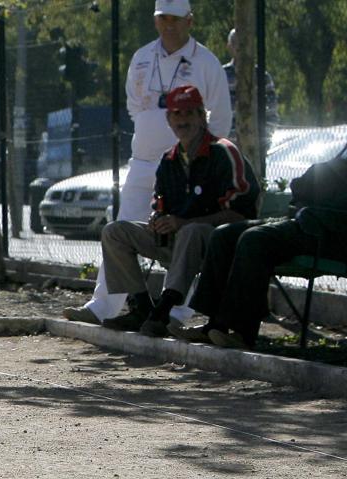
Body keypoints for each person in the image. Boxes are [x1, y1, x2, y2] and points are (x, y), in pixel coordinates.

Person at [175, 64, 347, 350]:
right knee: (225, 234)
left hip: (343, 231)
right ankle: (215, 324)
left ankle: (242, 331)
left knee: (254, 240)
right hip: (315, 220)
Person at [63, 0, 231, 326]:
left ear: (190, 21)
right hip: (142, 162)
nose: (169, 25)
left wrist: (198, 158)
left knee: (184, 239)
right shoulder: (141, 57)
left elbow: (220, 119)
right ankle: (104, 307)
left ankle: (177, 314)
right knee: (121, 229)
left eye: (175, 19)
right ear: (155, 21)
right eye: (162, 18)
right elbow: (134, 107)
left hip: (187, 168)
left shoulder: (207, 63)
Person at [93, 86, 258, 337]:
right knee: (115, 231)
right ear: (169, 120)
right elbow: (160, 205)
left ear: (203, 117)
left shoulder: (224, 152)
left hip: (216, 246)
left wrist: (182, 222)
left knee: (192, 230)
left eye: (190, 113)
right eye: (177, 114)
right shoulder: (168, 161)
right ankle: (141, 308)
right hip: (176, 242)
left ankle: (165, 309)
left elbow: (241, 214)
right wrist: (157, 220)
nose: (183, 120)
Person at [223, 28, 280, 143]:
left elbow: (271, 110)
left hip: (256, 143)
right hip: (227, 143)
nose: (239, 47)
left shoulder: (262, 76)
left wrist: (264, 137)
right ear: (229, 46)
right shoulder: (221, 75)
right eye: (235, 43)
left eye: (243, 43)